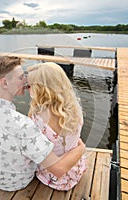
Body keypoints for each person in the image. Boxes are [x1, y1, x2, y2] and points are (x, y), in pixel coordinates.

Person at [0, 56, 85, 191]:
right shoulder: (24, 125)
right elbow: (58, 168)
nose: (25, 81)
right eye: (21, 77)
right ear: (5, 83)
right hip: (18, 182)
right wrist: (81, 148)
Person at [27, 62, 87, 191]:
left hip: (53, 177)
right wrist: (81, 147)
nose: (27, 89)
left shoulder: (37, 117)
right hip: (75, 169)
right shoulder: (74, 108)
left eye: (29, 86)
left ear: (41, 89)